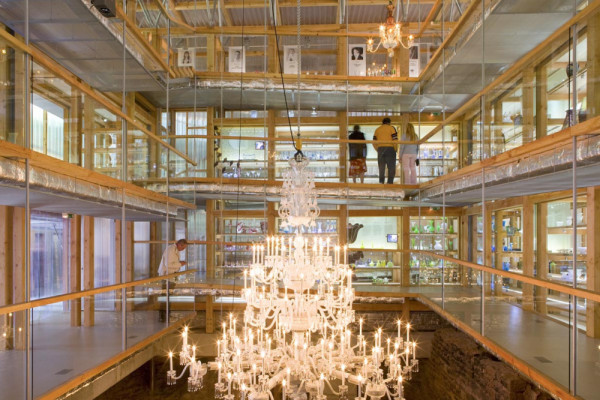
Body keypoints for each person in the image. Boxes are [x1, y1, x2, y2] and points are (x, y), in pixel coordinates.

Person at [158, 239, 188, 322]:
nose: (183, 250)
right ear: (179, 245)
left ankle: (166, 315)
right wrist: (180, 264)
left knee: (168, 296)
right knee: (165, 296)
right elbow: (168, 264)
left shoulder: (174, 250)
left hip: (171, 276)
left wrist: (179, 263)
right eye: (183, 248)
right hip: (166, 276)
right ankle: (163, 317)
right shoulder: (171, 250)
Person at [373, 117, 398, 184]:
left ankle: (381, 182)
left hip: (380, 148)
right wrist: (395, 149)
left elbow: (374, 142)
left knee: (381, 167)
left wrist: (377, 149)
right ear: (389, 123)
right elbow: (395, 140)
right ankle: (390, 183)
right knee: (391, 167)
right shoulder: (391, 128)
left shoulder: (377, 129)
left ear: (382, 122)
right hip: (390, 148)